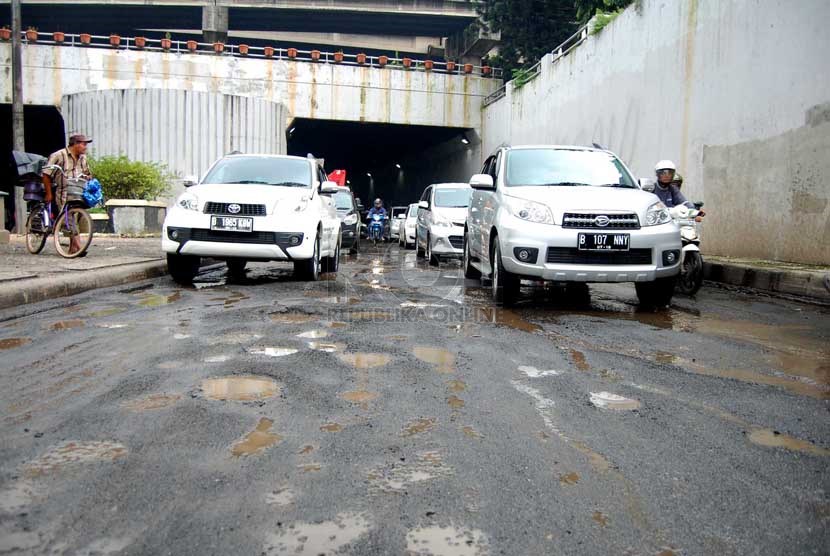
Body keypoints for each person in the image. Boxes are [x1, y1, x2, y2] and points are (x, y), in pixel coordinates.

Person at [43, 134, 93, 254]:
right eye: (83, 144)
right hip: (63, 191)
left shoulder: (83, 158)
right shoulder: (58, 155)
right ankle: (78, 246)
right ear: (75, 144)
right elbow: (46, 174)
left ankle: (73, 248)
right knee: (69, 218)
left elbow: (88, 172)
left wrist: (89, 179)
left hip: (78, 191)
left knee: (78, 217)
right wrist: (49, 194)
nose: (85, 147)